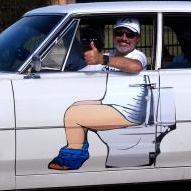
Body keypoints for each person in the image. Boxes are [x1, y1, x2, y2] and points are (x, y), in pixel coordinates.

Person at [49, 18, 148, 170]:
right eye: (119, 33)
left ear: (138, 39)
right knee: (78, 105)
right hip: (113, 105)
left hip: (129, 112)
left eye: (130, 34)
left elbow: (135, 67)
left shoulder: (137, 55)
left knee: (73, 114)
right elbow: (83, 72)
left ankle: (73, 158)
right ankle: (79, 148)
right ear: (113, 35)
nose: (124, 38)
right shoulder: (111, 57)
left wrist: (101, 58)